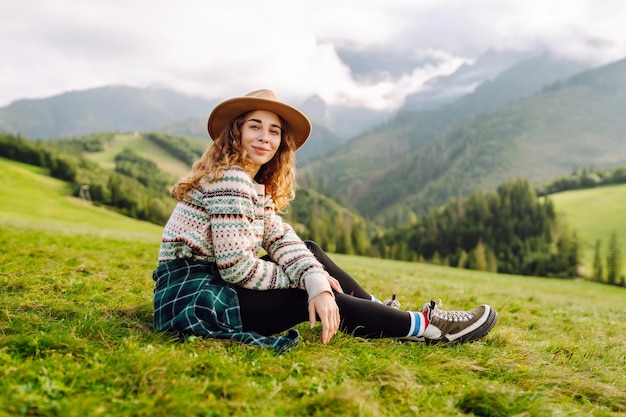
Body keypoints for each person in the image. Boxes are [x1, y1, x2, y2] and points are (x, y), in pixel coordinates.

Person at [152, 89, 498, 353]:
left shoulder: (250, 183)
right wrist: (308, 284)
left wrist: (313, 274)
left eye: (273, 131)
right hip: (194, 299)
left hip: (209, 289)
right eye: (254, 126)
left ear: (280, 143)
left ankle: (377, 313)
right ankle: (427, 327)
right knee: (300, 295)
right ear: (235, 133)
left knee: (310, 253)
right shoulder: (231, 180)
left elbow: (282, 240)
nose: (264, 138)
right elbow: (237, 270)